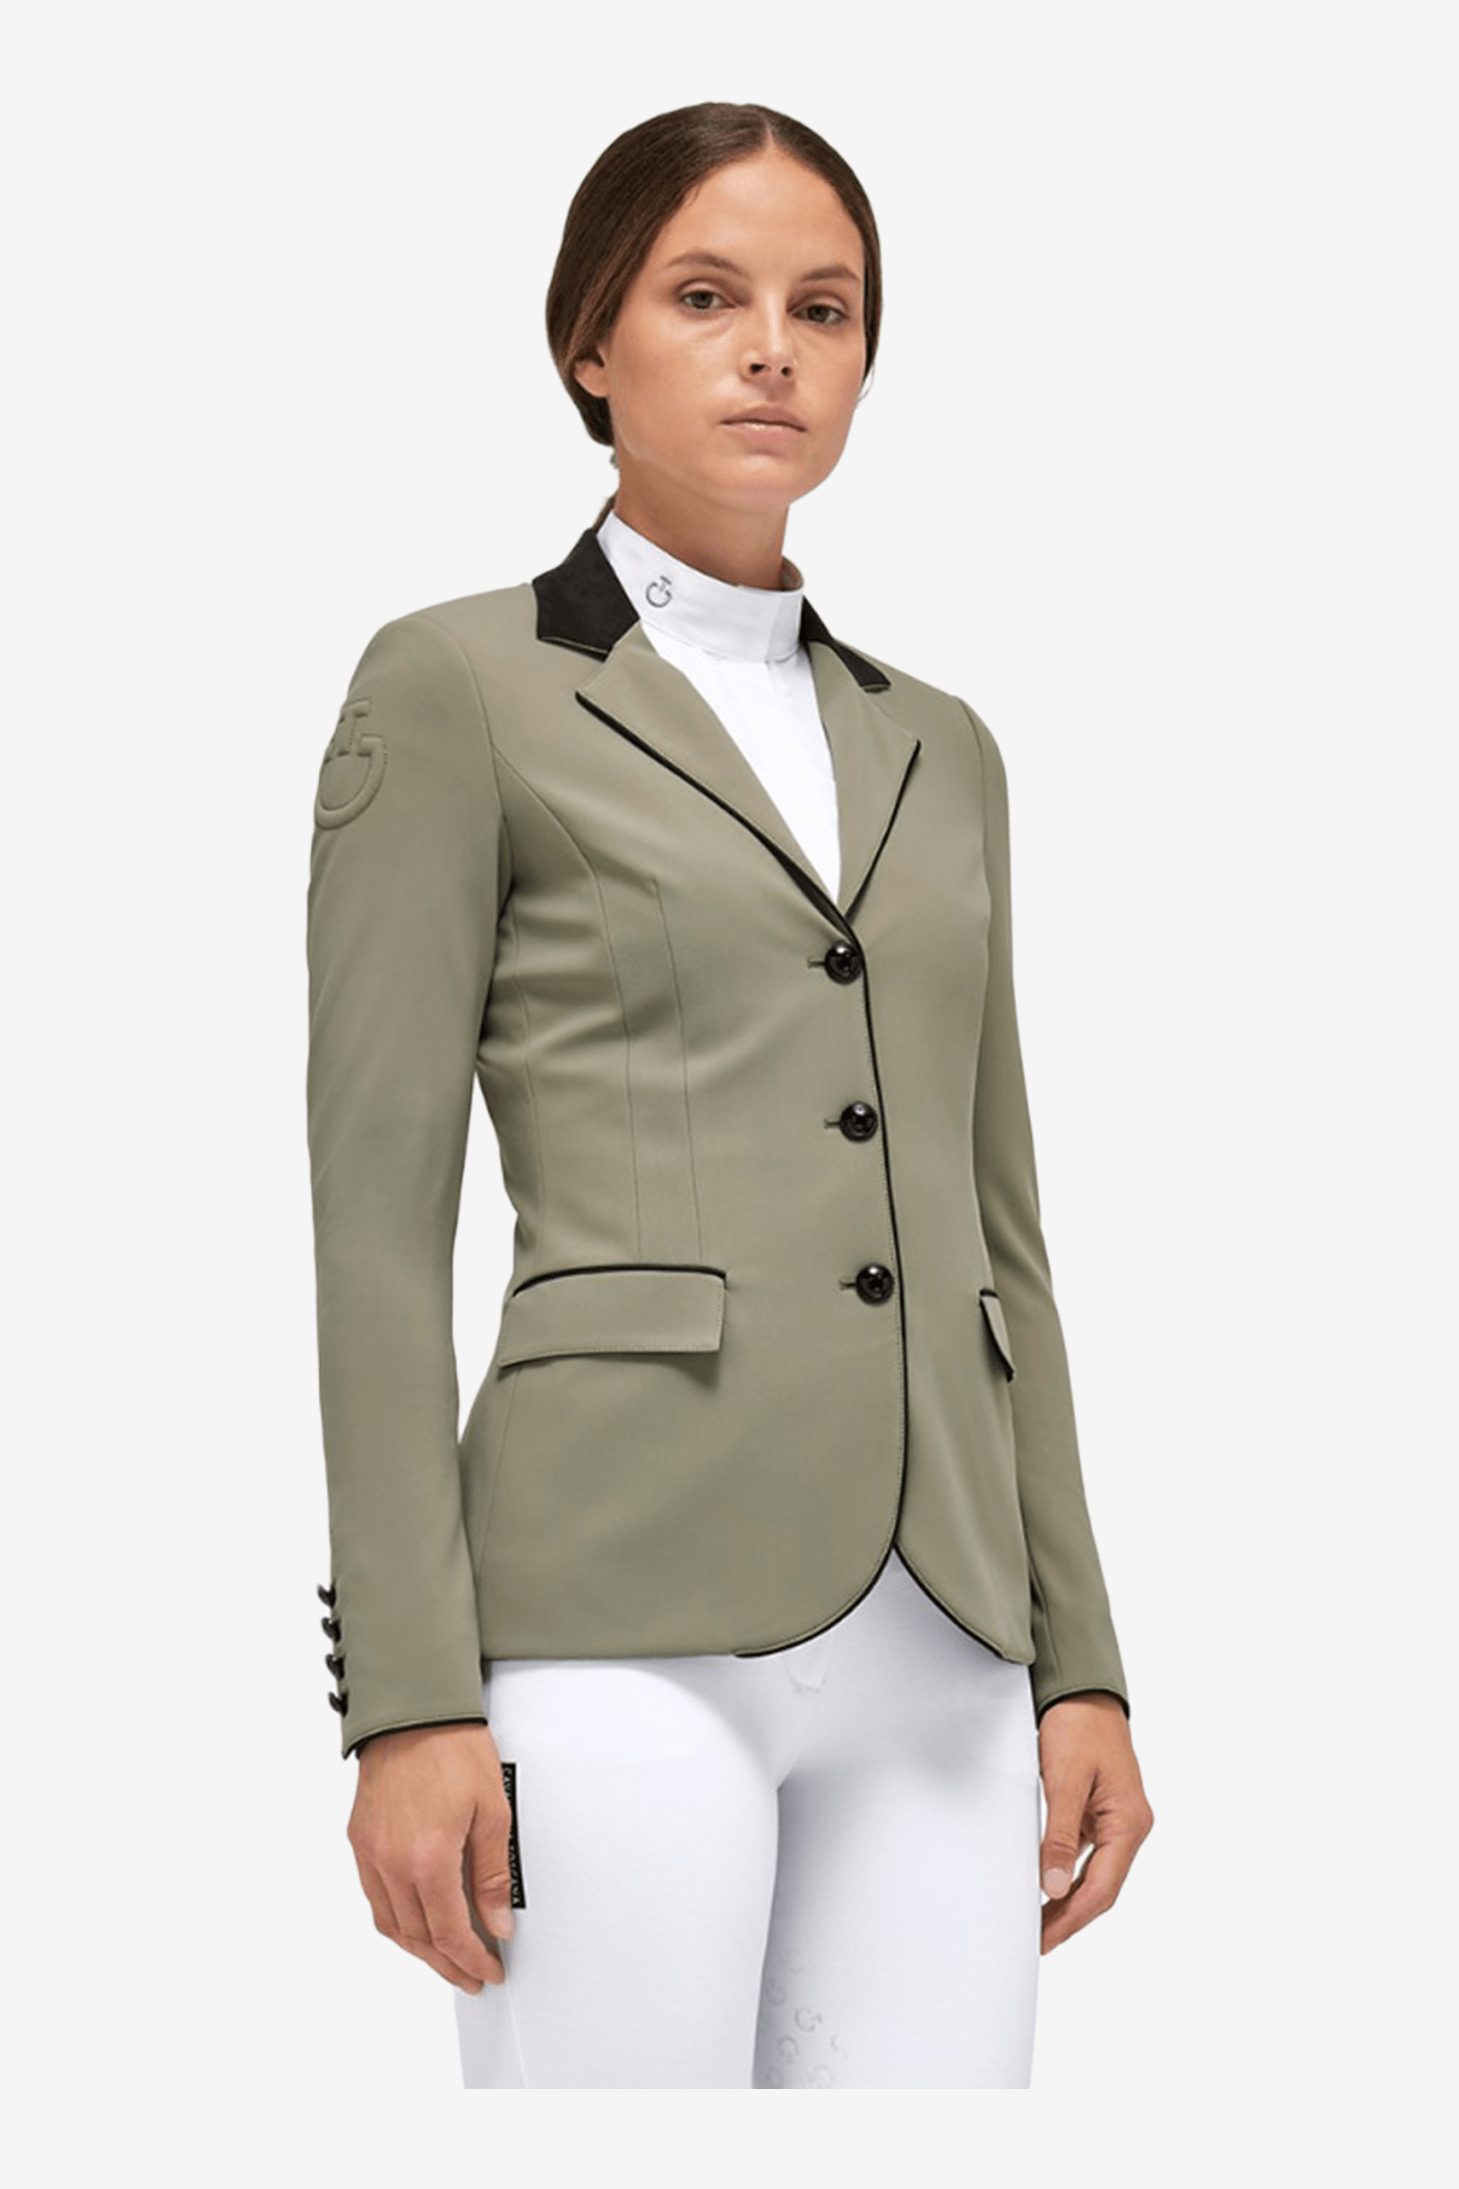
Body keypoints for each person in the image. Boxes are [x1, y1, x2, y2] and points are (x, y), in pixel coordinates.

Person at [305, 100, 1153, 2090]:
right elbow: (374, 1223)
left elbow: (999, 1232)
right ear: (591, 342)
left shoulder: (943, 746)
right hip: (615, 1612)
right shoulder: (456, 686)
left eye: (823, 309)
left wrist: (1084, 1656)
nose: (774, 349)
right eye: (706, 296)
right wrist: (407, 1697)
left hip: (945, 1644)